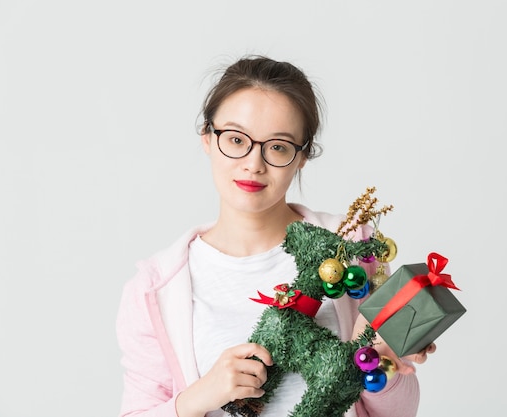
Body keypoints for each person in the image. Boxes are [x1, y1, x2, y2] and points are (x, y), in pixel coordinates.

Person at [116, 55, 436, 417]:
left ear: (302, 156)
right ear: (207, 137)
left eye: (278, 146)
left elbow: (399, 411)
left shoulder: (349, 250)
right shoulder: (157, 287)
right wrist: (200, 396)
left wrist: (377, 361)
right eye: (236, 139)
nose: (254, 163)